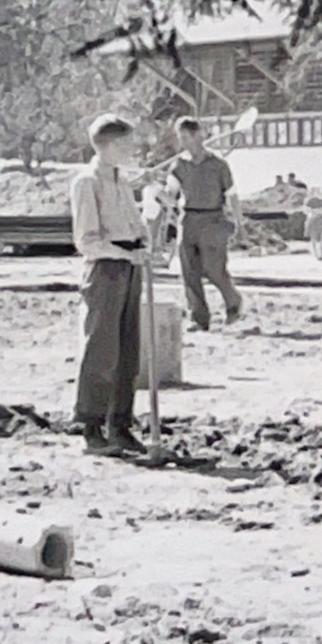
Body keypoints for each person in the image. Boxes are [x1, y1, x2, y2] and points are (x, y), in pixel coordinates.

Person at [70, 114, 151, 457]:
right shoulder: (86, 182)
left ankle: (119, 424)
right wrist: (122, 254)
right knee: (102, 348)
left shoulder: (121, 181)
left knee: (128, 350)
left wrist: (144, 243)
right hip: (105, 268)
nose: (131, 149)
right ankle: (91, 425)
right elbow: (86, 240)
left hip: (131, 266)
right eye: (125, 143)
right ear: (108, 145)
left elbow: (133, 222)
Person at [164, 117, 244, 333]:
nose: (184, 142)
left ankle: (233, 302)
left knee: (213, 269)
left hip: (213, 219)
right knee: (189, 271)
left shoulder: (218, 165)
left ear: (199, 134)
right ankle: (199, 318)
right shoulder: (179, 165)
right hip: (188, 220)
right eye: (180, 138)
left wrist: (240, 224)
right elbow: (171, 195)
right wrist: (160, 192)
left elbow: (233, 196)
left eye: (187, 137)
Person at [306, 195, 322, 261]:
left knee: (314, 239)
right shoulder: (321, 203)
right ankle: (321, 254)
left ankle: (317, 255)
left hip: (313, 222)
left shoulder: (310, 202)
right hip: (320, 222)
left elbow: (308, 213)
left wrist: (314, 212)